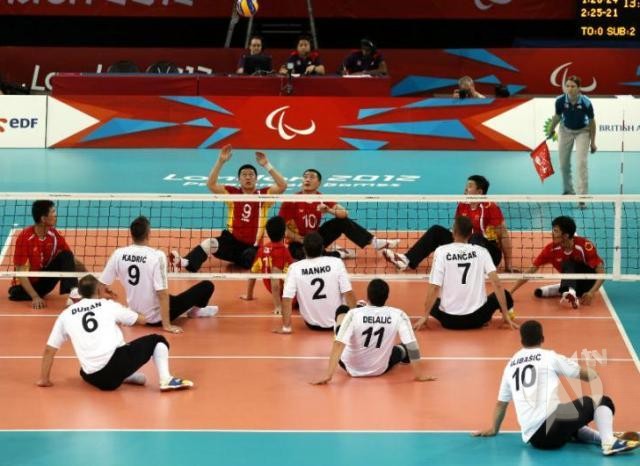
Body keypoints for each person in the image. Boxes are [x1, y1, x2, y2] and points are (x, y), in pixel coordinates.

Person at [473, 320, 639, 456]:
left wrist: (494, 429)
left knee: (566, 414)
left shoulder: (510, 365)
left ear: (522, 341)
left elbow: (501, 404)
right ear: (542, 338)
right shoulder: (549, 357)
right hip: (552, 429)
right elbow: (587, 376)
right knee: (602, 401)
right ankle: (609, 442)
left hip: (536, 440)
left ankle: (600, 437)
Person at [37, 274, 194, 392]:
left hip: (94, 378)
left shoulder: (65, 315)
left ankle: (125, 375)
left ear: (80, 293)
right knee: (157, 340)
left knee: (86, 367)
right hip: (114, 367)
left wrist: (44, 380)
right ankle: (166, 379)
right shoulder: (108, 305)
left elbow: (49, 349)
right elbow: (142, 320)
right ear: (98, 290)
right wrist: (115, 303)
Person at [170, 144, 287, 271]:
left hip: (251, 247)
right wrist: (220, 161)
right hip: (231, 243)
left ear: (256, 179)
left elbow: (282, 185)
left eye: (251, 174)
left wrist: (267, 165)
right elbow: (211, 184)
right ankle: (185, 263)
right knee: (210, 243)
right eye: (244, 174)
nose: (248, 177)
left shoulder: (263, 196)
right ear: (239, 179)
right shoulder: (232, 194)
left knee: (249, 257)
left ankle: (244, 259)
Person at [100, 216, 217, 335]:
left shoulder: (118, 254)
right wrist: (167, 325)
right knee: (207, 286)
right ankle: (195, 312)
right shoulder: (157, 256)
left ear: (132, 234)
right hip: (155, 319)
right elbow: (162, 293)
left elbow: (100, 285)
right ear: (148, 234)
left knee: (169, 297)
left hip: (135, 314)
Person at [311, 279, 436, 384]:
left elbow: (338, 344)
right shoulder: (399, 314)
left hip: (349, 367)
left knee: (342, 310)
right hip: (379, 369)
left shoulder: (353, 314)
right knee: (403, 349)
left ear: (368, 296)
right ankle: (401, 352)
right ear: (387, 297)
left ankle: (360, 309)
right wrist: (419, 375)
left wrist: (328, 375)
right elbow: (412, 345)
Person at [383, 175, 514, 272]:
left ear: (479, 192)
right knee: (436, 231)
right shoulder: (462, 205)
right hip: (465, 247)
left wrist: (508, 265)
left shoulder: (491, 207)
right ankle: (406, 260)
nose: (465, 189)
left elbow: (503, 236)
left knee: (475, 237)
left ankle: (472, 267)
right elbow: (457, 229)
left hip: (489, 253)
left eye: (469, 186)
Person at [413, 216, 517, 331]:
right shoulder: (482, 251)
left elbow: (434, 287)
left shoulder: (441, 251)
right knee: (505, 294)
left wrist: (425, 316)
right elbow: (497, 284)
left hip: (449, 321)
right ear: (471, 233)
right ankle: (508, 315)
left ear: (453, 231)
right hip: (478, 319)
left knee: (432, 302)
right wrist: (505, 314)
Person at [279, 168, 399, 261]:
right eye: (305, 177)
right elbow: (281, 227)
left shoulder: (322, 198)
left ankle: (375, 242)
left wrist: (329, 210)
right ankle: (340, 253)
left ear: (319, 183)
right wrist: (299, 239)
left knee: (342, 221)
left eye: (311, 177)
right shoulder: (292, 200)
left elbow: (344, 213)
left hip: (316, 238)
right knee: (307, 259)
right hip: (296, 242)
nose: (307, 179)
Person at [510, 216, 604, 309]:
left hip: (589, 282)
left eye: (556, 231)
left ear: (566, 235)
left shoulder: (584, 246)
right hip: (576, 285)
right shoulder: (551, 250)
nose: (552, 233)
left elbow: (601, 274)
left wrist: (591, 292)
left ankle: (569, 292)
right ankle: (566, 291)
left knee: (568, 264)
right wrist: (511, 291)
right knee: (538, 293)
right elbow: (531, 270)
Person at [9, 200, 86, 309]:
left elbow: (71, 260)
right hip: (24, 286)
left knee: (66, 255)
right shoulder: (24, 238)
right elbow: (20, 272)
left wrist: (92, 279)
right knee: (15, 293)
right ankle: (33, 294)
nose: (56, 215)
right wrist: (35, 297)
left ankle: (73, 293)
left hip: (43, 282)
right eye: (53, 212)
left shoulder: (54, 235)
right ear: (43, 219)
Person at [275, 232, 356, 333]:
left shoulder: (295, 268)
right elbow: (348, 293)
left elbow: (287, 299)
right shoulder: (336, 262)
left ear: (304, 249)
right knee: (357, 301)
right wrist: (355, 323)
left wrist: (286, 328)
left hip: (312, 324)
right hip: (339, 319)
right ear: (322, 248)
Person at [548, 75, 597, 198]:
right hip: (565, 130)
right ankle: (568, 190)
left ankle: (583, 196)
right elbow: (557, 116)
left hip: (583, 131)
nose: (569, 89)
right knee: (563, 164)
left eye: (573, 86)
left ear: (579, 88)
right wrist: (551, 129)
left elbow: (592, 122)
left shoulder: (586, 102)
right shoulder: (560, 101)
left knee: (581, 163)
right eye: (568, 86)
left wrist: (593, 142)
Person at [242, 216, 294, 315]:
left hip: (280, 292)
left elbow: (253, 273)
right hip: (291, 296)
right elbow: (275, 282)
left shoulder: (262, 250)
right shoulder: (283, 251)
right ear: (284, 233)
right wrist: (278, 306)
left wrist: (249, 295)